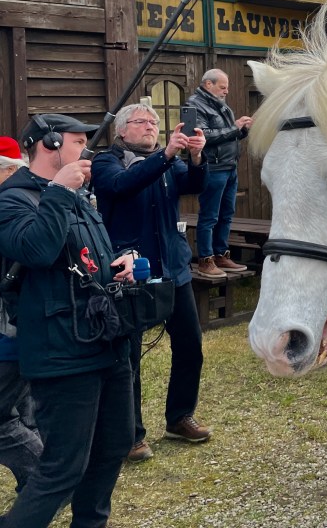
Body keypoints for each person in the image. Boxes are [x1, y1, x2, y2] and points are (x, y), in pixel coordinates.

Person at [0, 114, 136, 527]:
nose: (87, 152)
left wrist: (120, 266)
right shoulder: (12, 199)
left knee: (114, 445)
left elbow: (86, 261)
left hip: (105, 341)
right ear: (50, 144)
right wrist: (59, 191)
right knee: (61, 470)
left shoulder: (77, 196)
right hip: (60, 352)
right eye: (79, 142)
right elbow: (36, 251)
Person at [91, 103, 212, 462]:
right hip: (129, 272)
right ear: (123, 130)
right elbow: (121, 186)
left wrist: (195, 157)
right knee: (129, 359)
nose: (151, 127)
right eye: (142, 121)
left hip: (173, 268)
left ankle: (179, 417)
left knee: (190, 346)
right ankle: (131, 435)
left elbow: (194, 185)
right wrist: (166, 154)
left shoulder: (167, 161)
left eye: (155, 122)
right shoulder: (105, 161)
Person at [0, 138, 42, 493]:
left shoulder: (12, 205)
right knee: (27, 413)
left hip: (7, 333)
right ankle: (38, 485)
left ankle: (46, 480)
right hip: (20, 330)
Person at [187, 69, 253, 280]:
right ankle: (205, 261)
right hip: (213, 168)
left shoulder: (220, 104)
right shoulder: (194, 105)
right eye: (222, 87)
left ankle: (220, 255)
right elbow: (201, 136)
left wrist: (242, 130)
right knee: (210, 216)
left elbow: (226, 136)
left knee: (226, 214)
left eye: (227, 87)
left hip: (229, 166)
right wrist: (234, 128)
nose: (226, 91)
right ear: (208, 85)